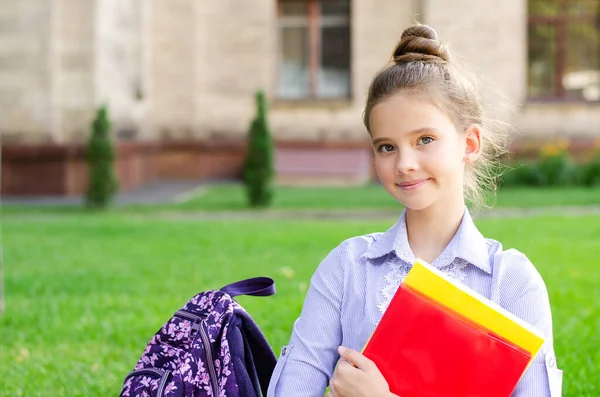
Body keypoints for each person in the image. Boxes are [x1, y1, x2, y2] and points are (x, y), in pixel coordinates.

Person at [266, 24, 562, 397]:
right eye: (387, 147)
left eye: (424, 139)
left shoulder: (511, 281)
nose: (404, 163)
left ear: (468, 143)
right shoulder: (347, 269)